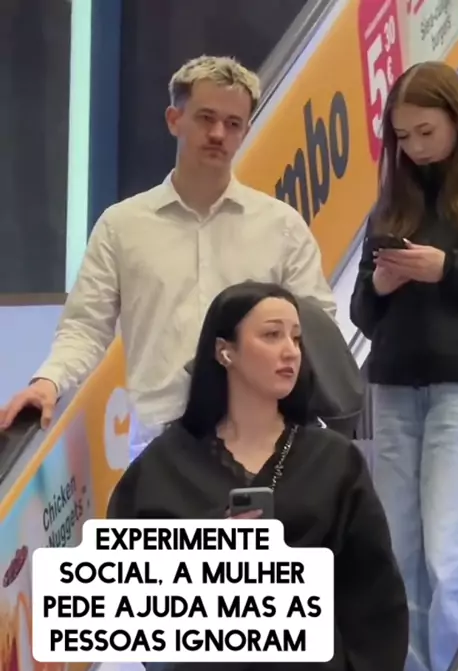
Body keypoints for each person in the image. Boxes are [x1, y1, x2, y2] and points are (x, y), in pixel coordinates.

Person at [108, 281, 412, 671]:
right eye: (271, 335)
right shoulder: (162, 468)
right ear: (224, 351)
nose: (290, 350)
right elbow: (128, 593)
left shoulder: (333, 461)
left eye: (295, 337)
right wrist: (212, 554)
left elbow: (374, 603)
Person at [0, 55, 335, 460]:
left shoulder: (282, 226)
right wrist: (47, 382)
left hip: (264, 439)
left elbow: (318, 327)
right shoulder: (122, 226)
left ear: (246, 132)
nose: (218, 133)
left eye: (233, 124)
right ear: (175, 120)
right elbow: (85, 327)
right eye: (205, 118)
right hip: (160, 444)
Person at [349, 61, 458, 671]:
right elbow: (362, 315)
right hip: (395, 391)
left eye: (425, 132)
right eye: (402, 136)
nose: (414, 148)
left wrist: (446, 268)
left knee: (451, 559)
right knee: (400, 563)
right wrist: (382, 285)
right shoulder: (392, 204)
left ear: (457, 120)